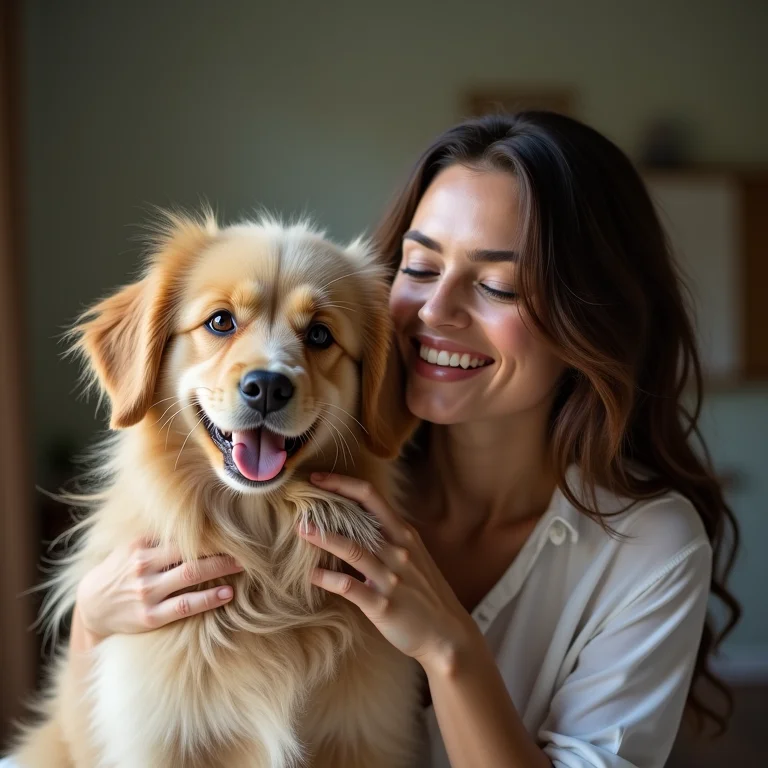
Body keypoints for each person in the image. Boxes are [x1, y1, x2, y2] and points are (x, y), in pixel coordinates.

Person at [12, 112, 741, 767]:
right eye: (419, 268)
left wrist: (447, 646)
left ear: (592, 319)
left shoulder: (648, 548)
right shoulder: (328, 450)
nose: (435, 311)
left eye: (497, 285)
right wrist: (92, 625)